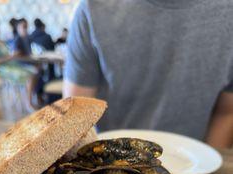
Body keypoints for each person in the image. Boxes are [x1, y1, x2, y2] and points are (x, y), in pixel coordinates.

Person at [64, 0, 233, 148]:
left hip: (193, 165)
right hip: (111, 165)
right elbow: (76, 116)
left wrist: (206, 164)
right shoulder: (93, 8)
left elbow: (227, 112)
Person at [0, 19, 39, 109]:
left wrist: (12, 56)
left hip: (12, 65)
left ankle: (29, 100)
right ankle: (28, 103)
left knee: (35, 72)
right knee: (30, 76)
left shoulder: (0, 41)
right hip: (3, 69)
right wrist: (11, 57)